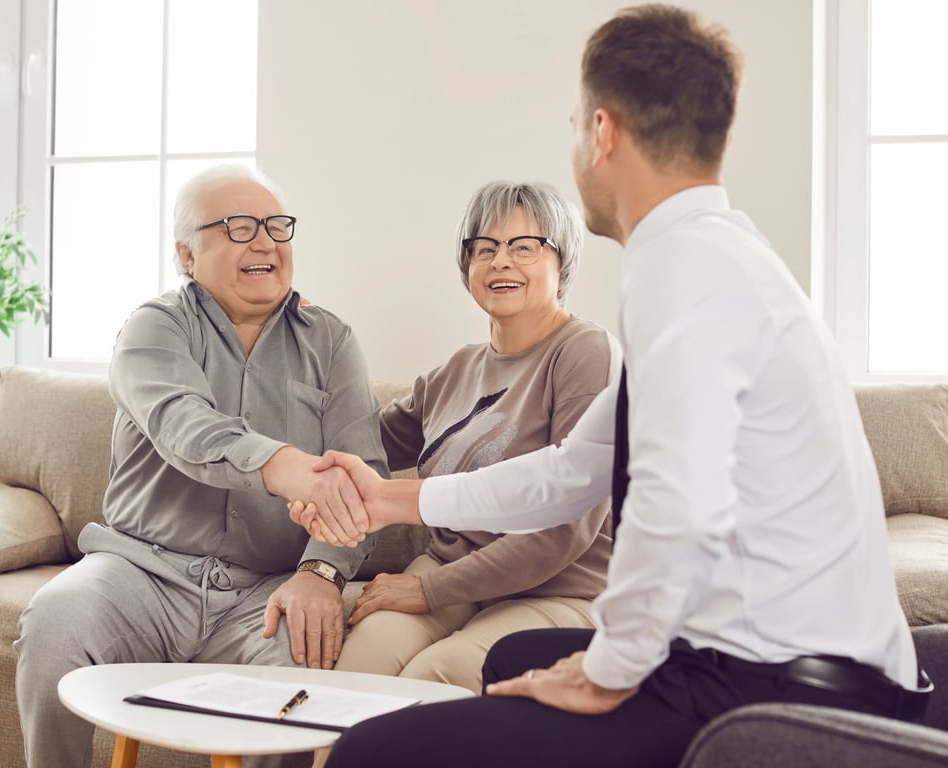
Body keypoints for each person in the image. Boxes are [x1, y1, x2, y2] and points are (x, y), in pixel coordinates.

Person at [293, 6, 931, 767]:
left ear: (602, 132)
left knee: (377, 752)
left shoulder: (682, 267)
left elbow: (676, 500)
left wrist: (611, 667)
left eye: (572, 127)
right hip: (769, 663)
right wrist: (388, 498)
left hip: (773, 691)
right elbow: (569, 473)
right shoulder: (719, 254)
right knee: (510, 660)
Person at [14, 163, 387, 768]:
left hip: (266, 588)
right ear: (187, 254)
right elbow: (184, 427)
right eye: (240, 227)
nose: (265, 241)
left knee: (304, 681)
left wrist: (321, 569)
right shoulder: (153, 329)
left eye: (276, 226)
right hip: (141, 575)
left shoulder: (332, 341)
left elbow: (365, 471)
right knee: (56, 622)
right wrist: (284, 465)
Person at [333, 180, 616, 693]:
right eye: (484, 248)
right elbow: (357, 441)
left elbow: (568, 527)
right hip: (451, 576)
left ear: (562, 259)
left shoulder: (585, 352)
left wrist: (430, 589)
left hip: (558, 590)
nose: (501, 261)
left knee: (433, 678)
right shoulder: (456, 370)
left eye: (524, 246)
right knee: (358, 670)